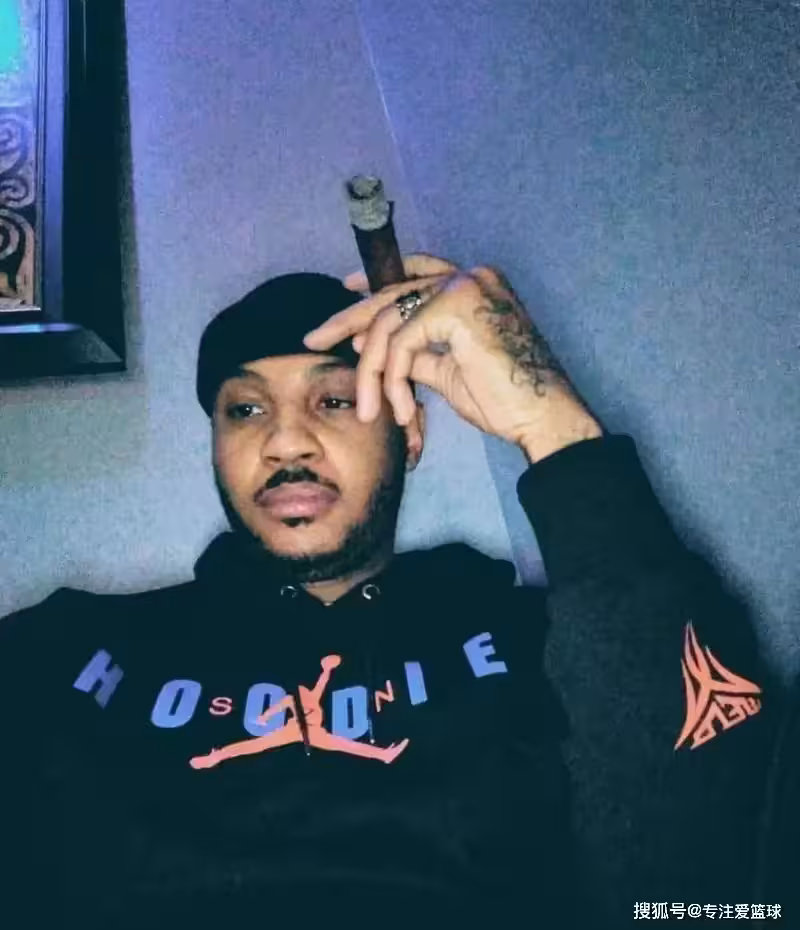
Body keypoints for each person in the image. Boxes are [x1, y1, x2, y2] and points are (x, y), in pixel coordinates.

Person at [0, 253, 776, 928]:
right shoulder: (67, 653)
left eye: (335, 400)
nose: (284, 441)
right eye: (245, 409)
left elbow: (700, 881)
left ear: (409, 434)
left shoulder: (545, 644)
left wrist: (555, 428)